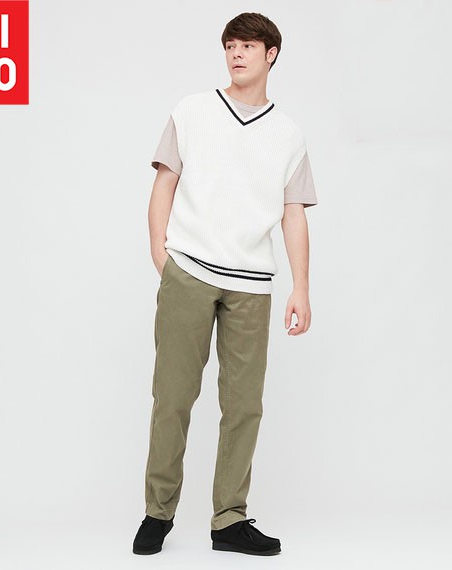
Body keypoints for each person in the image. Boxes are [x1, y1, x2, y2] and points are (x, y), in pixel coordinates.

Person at [133, 12, 318, 556]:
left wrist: (301, 288)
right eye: (230, 45)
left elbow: (293, 214)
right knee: (172, 397)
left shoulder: (289, 135)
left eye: (248, 46)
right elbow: (164, 183)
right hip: (189, 270)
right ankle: (157, 513)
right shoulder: (191, 112)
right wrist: (161, 254)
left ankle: (229, 520)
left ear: (271, 54)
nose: (236, 54)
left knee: (243, 406)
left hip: (252, 285)